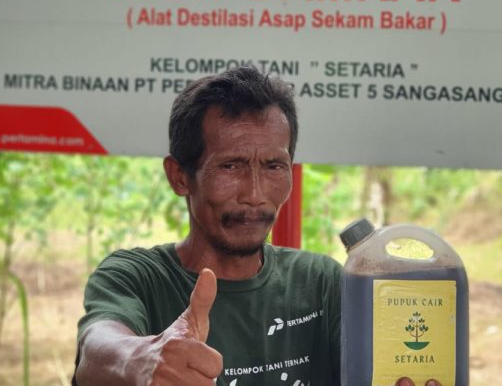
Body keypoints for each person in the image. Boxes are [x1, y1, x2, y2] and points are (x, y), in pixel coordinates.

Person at [73, 66, 439, 386]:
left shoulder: (320, 283)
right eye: (230, 166)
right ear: (180, 176)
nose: (254, 193)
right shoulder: (135, 279)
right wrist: (141, 360)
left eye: (273, 166)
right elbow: (96, 351)